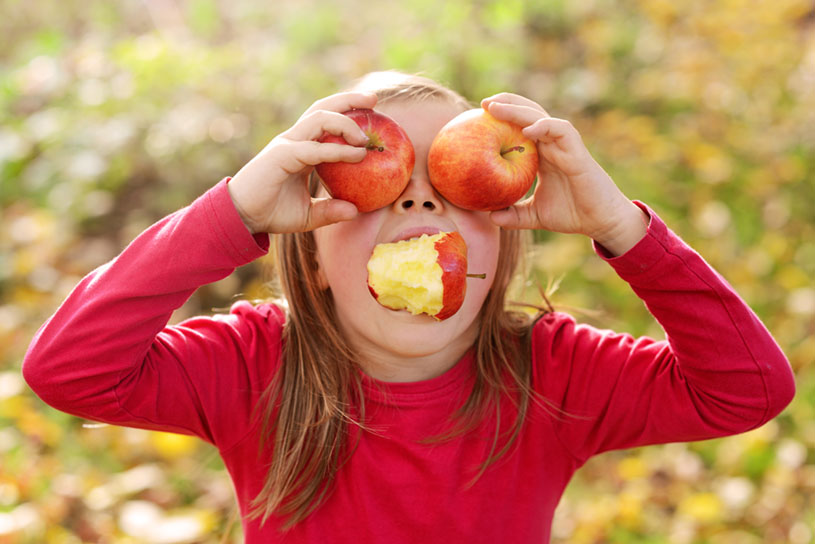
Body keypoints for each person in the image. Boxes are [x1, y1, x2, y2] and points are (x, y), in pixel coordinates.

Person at [23, 71, 795, 543]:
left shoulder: (549, 376)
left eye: (459, 185)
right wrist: (234, 210)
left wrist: (622, 229)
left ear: (498, 254)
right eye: (381, 182)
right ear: (314, 254)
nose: (420, 193)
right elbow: (67, 371)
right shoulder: (256, 366)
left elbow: (748, 389)